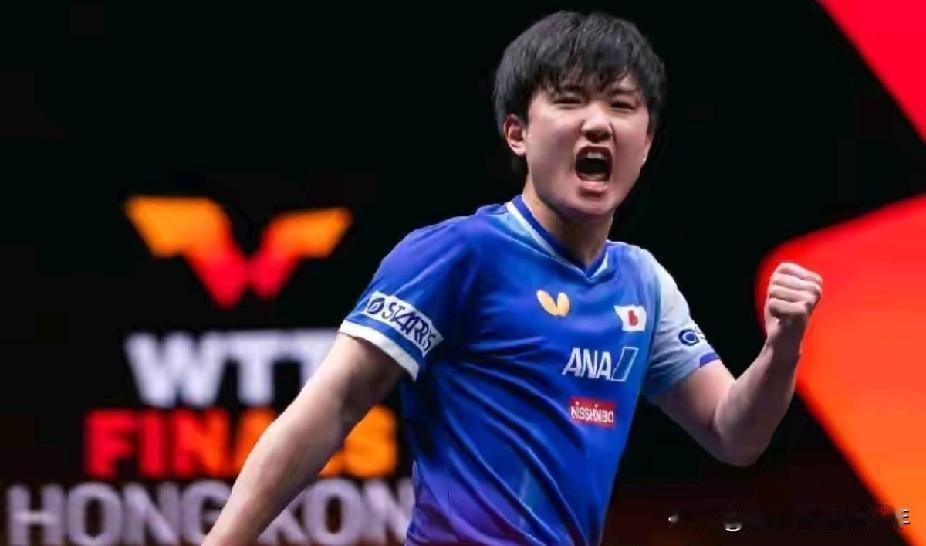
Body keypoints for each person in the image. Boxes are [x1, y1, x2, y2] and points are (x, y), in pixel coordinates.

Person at [203, 10, 823, 546]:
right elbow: (333, 405)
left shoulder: (644, 282)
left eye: (621, 104)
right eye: (570, 99)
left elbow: (733, 434)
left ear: (646, 144)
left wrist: (781, 349)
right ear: (517, 133)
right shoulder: (458, 255)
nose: (599, 123)